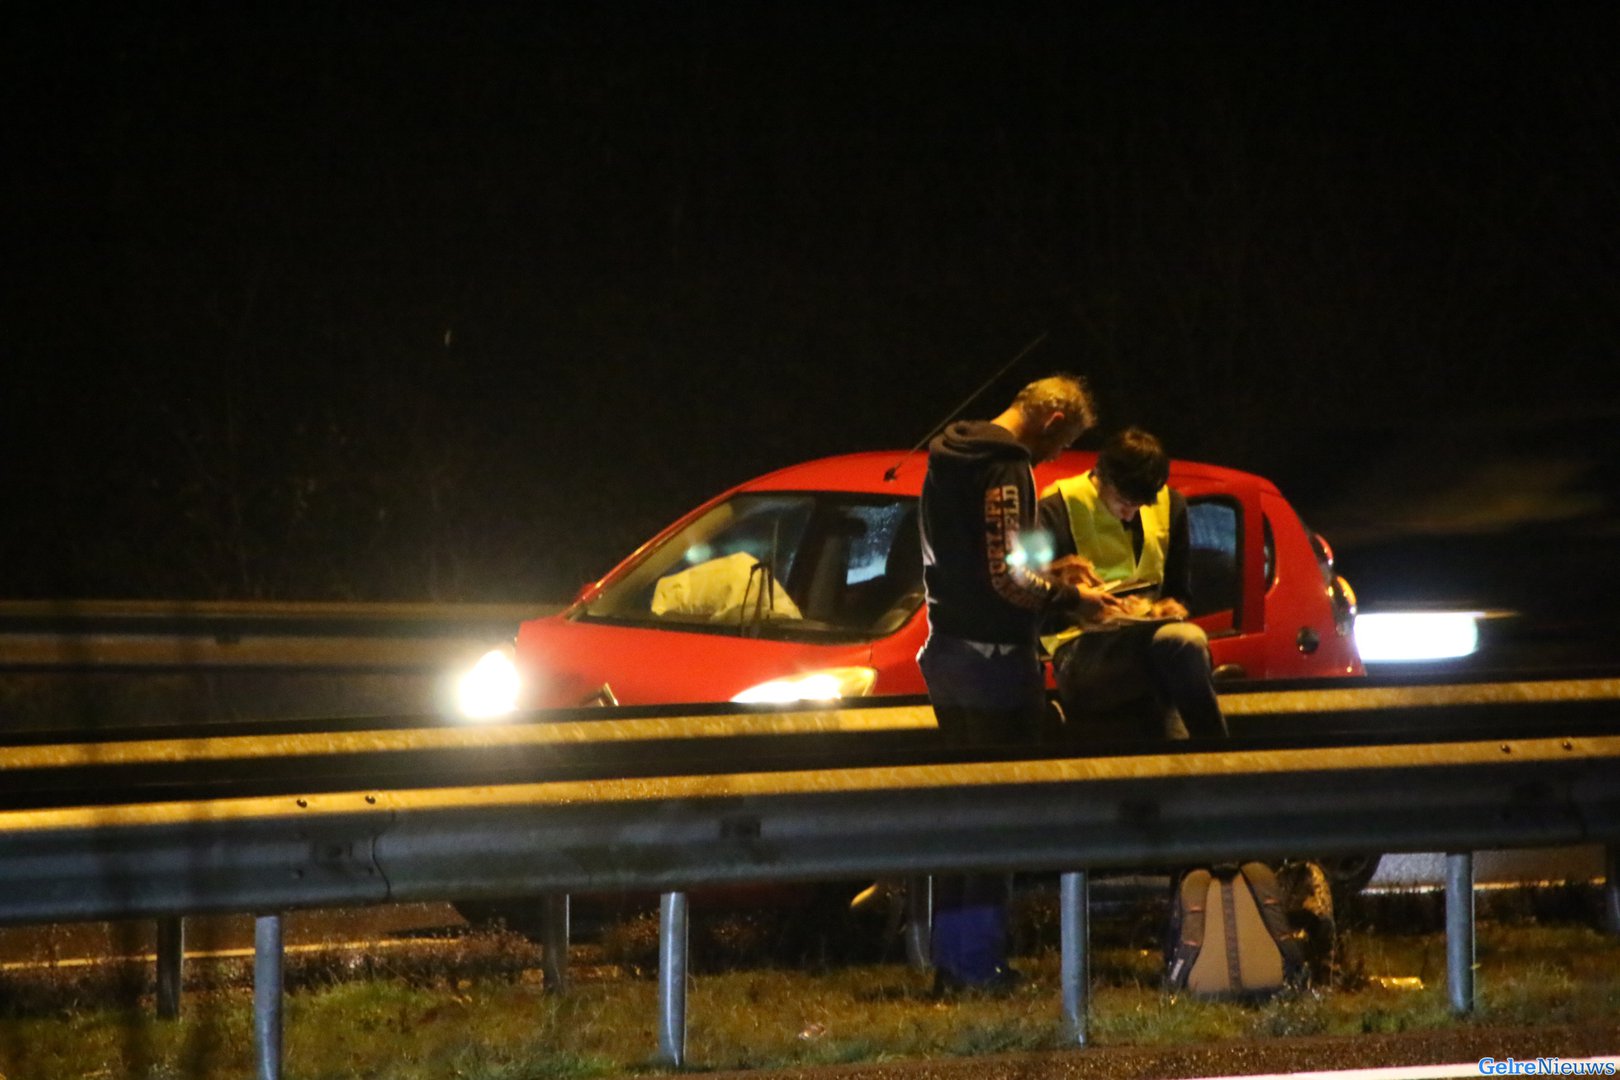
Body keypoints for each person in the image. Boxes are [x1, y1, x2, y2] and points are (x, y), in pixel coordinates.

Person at [916, 372, 1115, 994]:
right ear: (1053, 421)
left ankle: (953, 962)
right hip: (994, 661)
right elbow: (1007, 578)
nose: (1057, 456)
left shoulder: (948, 456)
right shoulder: (1006, 467)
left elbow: (975, 561)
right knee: (999, 815)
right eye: (1064, 443)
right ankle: (978, 966)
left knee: (963, 815)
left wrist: (1053, 573)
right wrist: (1074, 600)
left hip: (947, 650)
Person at [1037, 426, 1228, 741]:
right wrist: (1079, 609)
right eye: (1123, 502)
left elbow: (1180, 592)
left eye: (1140, 506)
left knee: (1185, 641)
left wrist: (1168, 608)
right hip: (1080, 654)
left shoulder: (1172, 505)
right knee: (1182, 645)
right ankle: (1219, 751)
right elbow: (1030, 602)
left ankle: (1216, 754)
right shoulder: (1057, 507)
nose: (1129, 514)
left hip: (1149, 645)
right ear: (1101, 476)